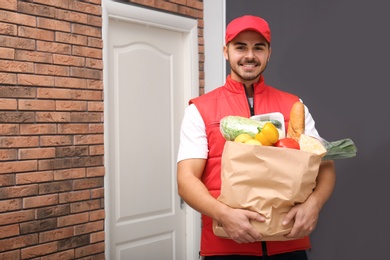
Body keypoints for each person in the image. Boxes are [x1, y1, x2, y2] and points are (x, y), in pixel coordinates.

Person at [177, 15, 336, 259]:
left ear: (269, 53)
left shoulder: (294, 105)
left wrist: (314, 205)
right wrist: (223, 214)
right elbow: (186, 180)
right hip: (226, 245)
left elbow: (325, 165)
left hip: (288, 243)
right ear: (226, 51)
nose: (249, 55)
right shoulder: (200, 109)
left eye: (258, 48)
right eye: (240, 47)